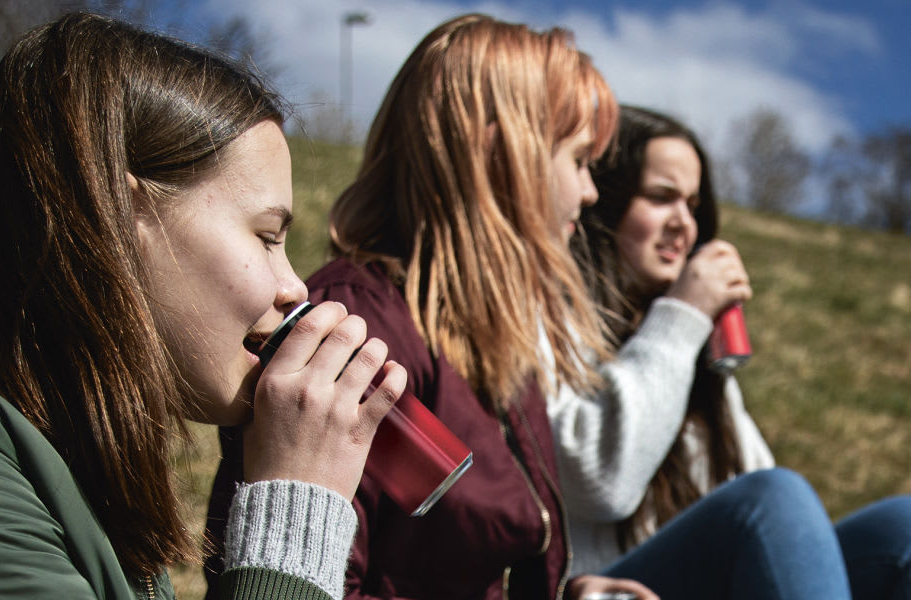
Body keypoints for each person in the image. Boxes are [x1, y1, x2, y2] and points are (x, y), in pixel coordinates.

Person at [205, 14, 857, 600]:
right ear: (500, 155)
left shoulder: (491, 341)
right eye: (578, 160)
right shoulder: (357, 328)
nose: (590, 191)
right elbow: (303, 580)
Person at [0, 12, 407, 600]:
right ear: (119, 212)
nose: (294, 287)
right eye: (267, 237)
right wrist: (294, 517)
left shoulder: (71, 437)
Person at [569, 103, 911, 598]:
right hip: (605, 588)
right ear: (606, 198)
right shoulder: (558, 322)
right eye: (661, 198)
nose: (683, 224)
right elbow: (602, 483)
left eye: (692, 205)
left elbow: (769, 509)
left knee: (903, 528)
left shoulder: (692, 356)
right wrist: (683, 316)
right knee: (774, 498)